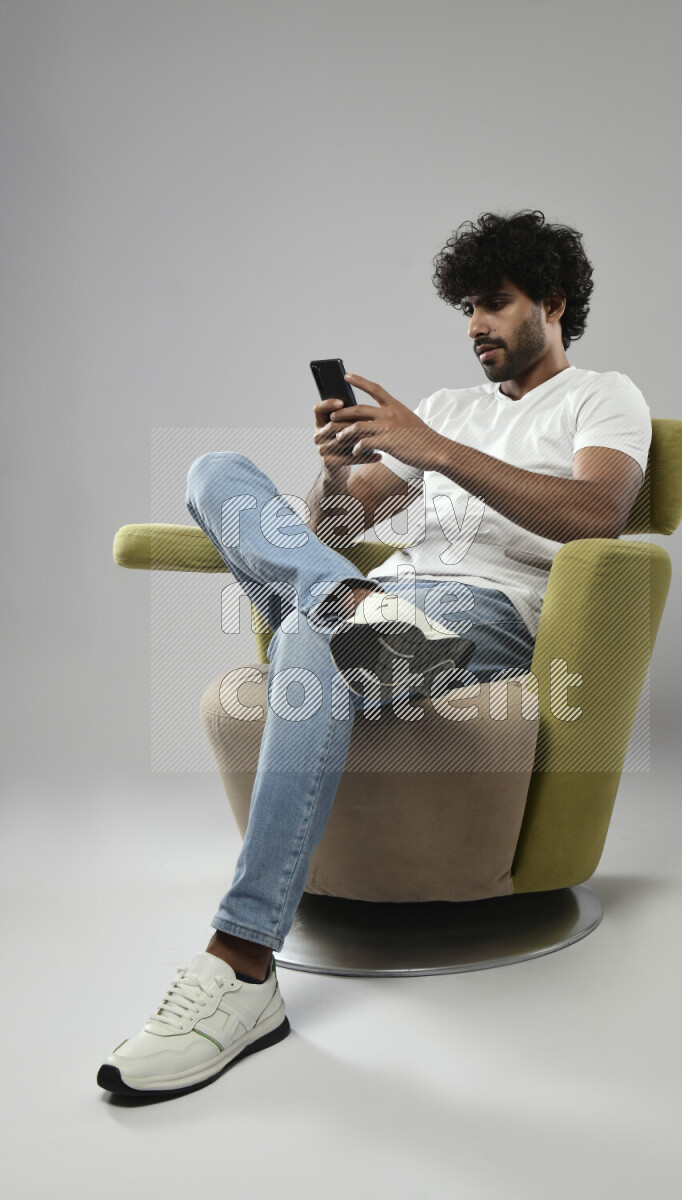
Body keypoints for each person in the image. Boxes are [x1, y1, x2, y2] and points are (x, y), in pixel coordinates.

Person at [97, 210, 651, 1099]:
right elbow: (334, 528)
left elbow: (597, 515)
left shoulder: (602, 397)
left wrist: (436, 452)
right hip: (383, 596)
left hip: (476, 617)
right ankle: (352, 607)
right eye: (468, 306)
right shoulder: (445, 407)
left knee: (315, 635)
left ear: (553, 303)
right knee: (214, 473)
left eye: (496, 303)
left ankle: (240, 963)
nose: (475, 324)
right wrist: (335, 467)